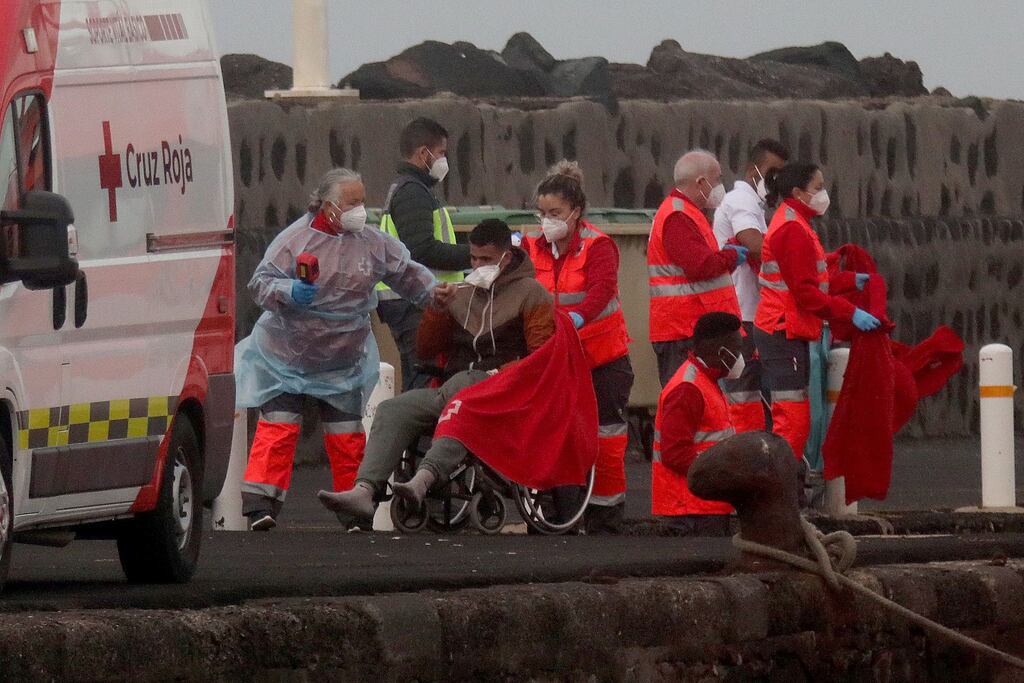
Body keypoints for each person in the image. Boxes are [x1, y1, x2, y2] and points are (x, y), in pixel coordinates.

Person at [235, 168, 450, 532]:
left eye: (362, 201)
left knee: (347, 437)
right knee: (278, 428)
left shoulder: (372, 242)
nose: (360, 209)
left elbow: (407, 272)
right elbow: (260, 284)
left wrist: (436, 294)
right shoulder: (295, 240)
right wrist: (289, 292)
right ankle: (260, 506)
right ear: (328, 204)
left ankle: (354, 510)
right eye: (353, 202)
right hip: (287, 355)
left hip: (342, 359)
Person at [318, 220, 555, 517]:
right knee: (393, 409)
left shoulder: (532, 294)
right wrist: (437, 310)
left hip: (501, 392)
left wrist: (505, 373)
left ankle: (425, 478)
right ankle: (365, 490)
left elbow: (541, 357)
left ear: (506, 258)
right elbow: (426, 349)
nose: (477, 266)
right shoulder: (462, 292)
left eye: (486, 260)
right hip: (455, 389)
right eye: (473, 259)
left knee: (463, 393)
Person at [523, 160, 634, 534]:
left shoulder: (598, 246)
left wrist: (578, 319)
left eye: (554, 213)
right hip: (556, 360)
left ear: (576, 212)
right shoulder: (530, 248)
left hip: (602, 358)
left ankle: (605, 517)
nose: (547, 220)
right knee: (557, 436)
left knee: (607, 439)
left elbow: (601, 290)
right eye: (541, 213)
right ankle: (562, 515)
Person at [754, 162, 880, 460]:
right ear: (798, 192)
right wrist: (850, 312)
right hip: (783, 331)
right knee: (792, 422)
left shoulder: (794, 222)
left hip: (784, 329)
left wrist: (850, 281)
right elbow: (807, 294)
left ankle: (787, 490)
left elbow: (812, 281)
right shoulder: (792, 228)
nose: (824, 194)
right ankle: (783, 492)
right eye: (818, 188)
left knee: (793, 419)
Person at [377, 117, 471, 391]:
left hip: (411, 300)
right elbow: (422, 249)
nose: (444, 161)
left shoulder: (410, 189)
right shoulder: (412, 193)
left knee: (418, 377)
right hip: (415, 302)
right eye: (441, 153)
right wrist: (476, 255)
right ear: (423, 153)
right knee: (424, 382)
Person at [648, 149, 747, 387]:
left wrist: (727, 255)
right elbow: (700, 266)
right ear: (701, 182)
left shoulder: (685, 213)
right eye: (718, 179)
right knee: (687, 398)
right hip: (683, 330)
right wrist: (731, 257)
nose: (720, 185)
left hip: (688, 328)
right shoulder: (678, 216)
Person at [712, 138, 790, 432]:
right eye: (771, 172)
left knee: (752, 397)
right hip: (742, 313)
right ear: (752, 170)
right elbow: (755, 246)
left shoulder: (752, 204)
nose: (774, 180)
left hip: (749, 312)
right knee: (743, 396)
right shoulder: (742, 201)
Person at [652, 312, 744, 535]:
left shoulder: (703, 382)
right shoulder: (689, 389)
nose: (740, 357)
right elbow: (674, 454)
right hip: (692, 511)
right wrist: (725, 471)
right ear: (721, 351)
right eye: (737, 349)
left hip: (700, 506)